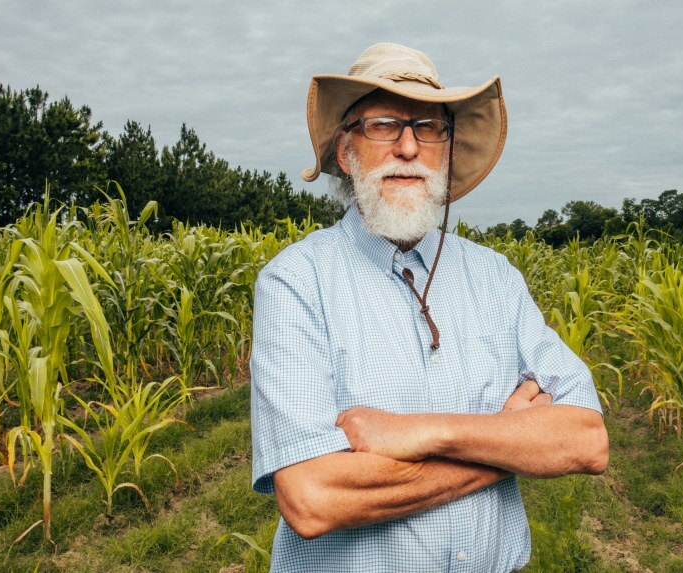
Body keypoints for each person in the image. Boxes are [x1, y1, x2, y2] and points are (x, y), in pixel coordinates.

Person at [251, 42, 609, 572]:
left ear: (447, 151)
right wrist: (503, 443)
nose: (408, 147)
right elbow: (312, 497)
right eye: (382, 125)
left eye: (428, 127)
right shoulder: (297, 282)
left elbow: (586, 439)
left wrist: (420, 433)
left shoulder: (495, 279)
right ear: (347, 153)